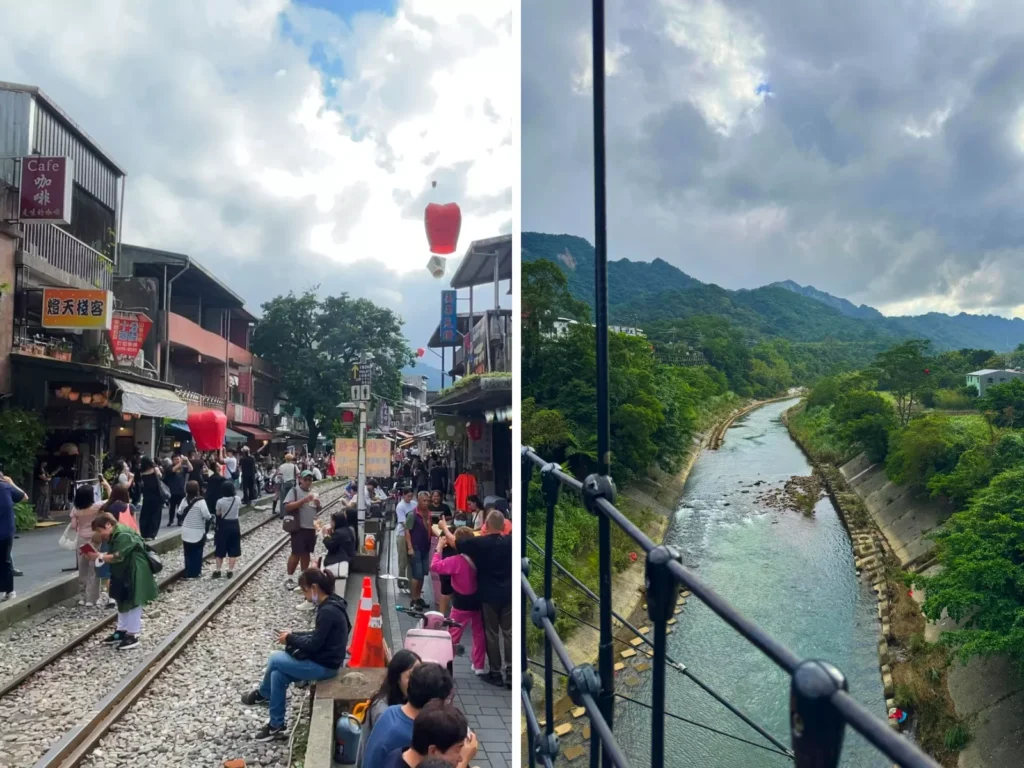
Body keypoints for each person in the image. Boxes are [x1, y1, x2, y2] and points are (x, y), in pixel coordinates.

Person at [242, 568, 350, 742]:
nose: (305, 597)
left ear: (314, 588)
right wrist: (294, 634)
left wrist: (290, 639)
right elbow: (318, 635)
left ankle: (263, 694)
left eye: (305, 591)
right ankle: (276, 726)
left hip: (325, 666)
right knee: (277, 676)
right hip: (326, 660)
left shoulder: (327, 611)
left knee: (275, 659)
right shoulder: (333, 604)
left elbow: (314, 644)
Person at [456, 511, 512, 688]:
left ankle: (495, 673)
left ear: (486, 527)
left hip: (488, 595)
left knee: (492, 633)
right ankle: (511, 672)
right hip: (508, 593)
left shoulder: (479, 543)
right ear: (504, 526)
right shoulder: (511, 542)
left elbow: (458, 543)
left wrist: (443, 528)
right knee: (509, 633)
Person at [361, 663, 454, 768]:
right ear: (433, 702)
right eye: (445, 701)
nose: (447, 706)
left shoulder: (392, 710)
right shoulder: (413, 735)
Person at [92, 511, 159, 650]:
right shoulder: (117, 533)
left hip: (135, 569)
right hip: (124, 570)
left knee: (134, 599)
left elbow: (118, 556)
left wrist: (98, 556)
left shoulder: (122, 535)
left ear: (108, 525)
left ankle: (133, 634)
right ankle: (121, 631)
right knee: (121, 597)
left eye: (100, 530)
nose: (100, 534)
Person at [432, 524, 486, 675]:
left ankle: (446, 665)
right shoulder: (481, 558)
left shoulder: (454, 561)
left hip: (461, 603)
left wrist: (439, 548)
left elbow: (435, 566)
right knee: (479, 633)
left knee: (453, 635)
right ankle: (479, 666)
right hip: (478, 600)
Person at [381, 700, 478, 768]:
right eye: (458, 749)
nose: (460, 758)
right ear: (433, 751)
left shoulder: (399, 754)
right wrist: (464, 761)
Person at [367, 649, 422, 737]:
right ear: (397, 678)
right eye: (410, 676)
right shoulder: (382, 712)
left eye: (420, 674)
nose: (417, 680)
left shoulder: (410, 698)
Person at [70, 483, 108, 606]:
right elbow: (112, 498)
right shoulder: (96, 507)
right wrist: (107, 485)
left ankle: (82, 597)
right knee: (94, 568)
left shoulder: (75, 510)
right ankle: (92, 598)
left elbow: (74, 526)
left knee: (83, 568)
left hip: (81, 540)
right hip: (95, 539)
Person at [283, 471, 321, 588]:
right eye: (306, 479)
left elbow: (316, 509)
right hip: (299, 527)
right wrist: (303, 501)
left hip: (311, 527)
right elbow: (287, 506)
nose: (308, 482)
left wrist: (318, 504)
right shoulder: (294, 491)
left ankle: (303, 578)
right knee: (296, 553)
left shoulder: (313, 493)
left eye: (310, 479)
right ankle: (289, 578)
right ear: (300, 479)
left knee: (306, 553)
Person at [0, 472, 27, 602]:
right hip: (7, 531)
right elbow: (24, 497)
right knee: (6, 561)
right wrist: (11, 483)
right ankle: (10, 591)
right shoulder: (7, 487)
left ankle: (7, 591)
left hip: (4, 530)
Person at [405, 492, 434, 609]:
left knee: (423, 574)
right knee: (417, 575)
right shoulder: (412, 515)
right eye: (424, 501)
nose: (426, 503)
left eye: (428, 501)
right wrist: (410, 548)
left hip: (425, 548)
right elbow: (407, 531)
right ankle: (413, 599)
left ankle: (418, 597)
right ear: (418, 500)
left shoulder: (429, 513)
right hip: (416, 548)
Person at [176, 481, 211, 579]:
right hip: (198, 531)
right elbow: (207, 516)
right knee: (197, 553)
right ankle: (196, 573)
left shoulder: (184, 500)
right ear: (197, 489)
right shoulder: (201, 501)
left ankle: (188, 572)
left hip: (186, 531)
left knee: (187, 553)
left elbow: (179, 513)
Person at [213, 479, 242, 578]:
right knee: (233, 547)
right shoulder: (237, 499)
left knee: (220, 547)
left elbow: (218, 513)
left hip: (223, 525)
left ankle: (218, 570)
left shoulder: (220, 501)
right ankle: (230, 570)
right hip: (234, 524)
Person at [321, 508, 357, 577]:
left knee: (316, 563)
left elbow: (330, 546)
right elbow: (337, 543)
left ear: (335, 522)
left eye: (331, 521)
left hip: (343, 560)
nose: (330, 523)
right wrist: (331, 534)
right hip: (349, 558)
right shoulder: (346, 529)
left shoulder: (339, 533)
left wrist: (325, 536)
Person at [136, 457, 163, 541]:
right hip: (157, 495)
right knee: (155, 515)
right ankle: (152, 534)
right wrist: (155, 466)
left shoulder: (139, 471)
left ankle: (144, 533)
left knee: (145, 515)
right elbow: (160, 476)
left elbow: (137, 481)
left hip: (146, 496)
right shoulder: (155, 469)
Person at [164, 455, 191, 527]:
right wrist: (181, 461)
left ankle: (180, 520)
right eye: (175, 459)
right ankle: (171, 520)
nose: (177, 460)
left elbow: (191, 469)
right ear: (172, 460)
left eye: (178, 459)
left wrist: (187, 460)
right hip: (172, 491)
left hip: (181, 490)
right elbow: (173, 470)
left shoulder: (183, 468)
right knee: (172, 507)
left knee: (180, 507)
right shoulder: (169, 468)